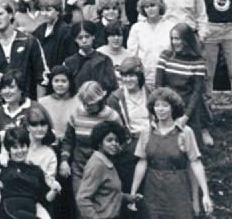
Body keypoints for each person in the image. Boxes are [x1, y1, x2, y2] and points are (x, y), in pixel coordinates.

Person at [127, 89, 214, 219]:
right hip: (153, 191)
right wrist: (133, 193)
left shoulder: (185, 132)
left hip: (178, 191)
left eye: (165, 105)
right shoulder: (146, 132)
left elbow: (195, 162)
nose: (160, 109)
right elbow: (142, 162)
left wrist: (205, 195)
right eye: (157, 105)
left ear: (173, 108)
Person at [157, 22, 211, 148]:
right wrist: (163, 108)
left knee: (189, 149)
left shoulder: (198, 61)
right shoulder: (165, 56)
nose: (175, 42)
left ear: (187, 39)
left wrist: (186, 117)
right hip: (167, 102)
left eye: (178, 38)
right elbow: (159, 86)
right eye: (172, 39)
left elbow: (197, 92)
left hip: (187, 105)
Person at [0, 127, 57, 219]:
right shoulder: (4, 167)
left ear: (27, 146)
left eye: (22, 146)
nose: (19, 151)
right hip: (10, 210)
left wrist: (54, 190)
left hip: (31, 210)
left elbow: (45, 198)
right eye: (15, 147)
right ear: (8, 149)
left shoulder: (36, 170)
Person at [0, 0, 48, 93]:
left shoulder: (29, 41)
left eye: (0, 14)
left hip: (28, 100)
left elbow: (41, 76)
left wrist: (38, 105)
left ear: (10, 15)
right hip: (1, 102)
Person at [76, 121, 129, 219]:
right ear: (100, 143)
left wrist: (127, 198)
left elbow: (107, 192)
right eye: (109, 140)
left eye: (116, 141)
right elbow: (82, 198)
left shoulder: (108, 162)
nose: (114, 144)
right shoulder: (97, 165)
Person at [127, 0, 175, 89]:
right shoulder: (137, 28)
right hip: (144, 76)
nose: (150, 9)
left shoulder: (171, 26)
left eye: (153, 5)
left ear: (159, 6)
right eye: (146, 7)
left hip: (167, 76)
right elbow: (132, 54)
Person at [63, 22, 120, 93]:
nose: (84, 40)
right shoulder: (69, 62)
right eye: (80, 37)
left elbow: (113, 86)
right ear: (75, 40)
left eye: (87, 36)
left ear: (93, 37)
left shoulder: (104, 60)